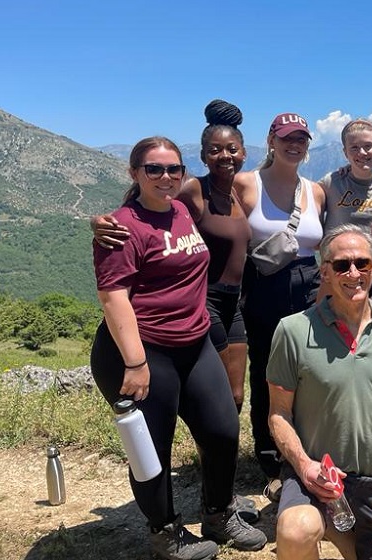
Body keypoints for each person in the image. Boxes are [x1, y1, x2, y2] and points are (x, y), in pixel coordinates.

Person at [90, 137, 266, 560]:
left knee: (223, 429)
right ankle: (165, 534)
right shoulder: (122, 228)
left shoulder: (183, 210)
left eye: (174, 169)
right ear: (135, 174)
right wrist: (135, 362)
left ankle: (218, 513)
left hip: (194, 341)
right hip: (143, 351)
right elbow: (114, 297)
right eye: (154, 169)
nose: (165, 177)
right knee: (152, 450)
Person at [91, 100, 253, 413]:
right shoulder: (192, 191)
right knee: (222, 397)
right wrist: (100, 222)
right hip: (208, 302)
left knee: (237, 394)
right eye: (215, 150)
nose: (225, 157)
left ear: (244, 152)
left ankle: (223, 455)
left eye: (232, 149)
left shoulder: (242, 188)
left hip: (236, 305)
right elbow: (150, 202)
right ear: (203, 156)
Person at [267, 224, 372, 560]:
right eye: (341, 265)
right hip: (316, 473)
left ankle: (340, 530)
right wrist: (305, 466)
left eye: (363, 263)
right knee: (296, 530)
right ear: (325, 273)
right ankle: (325, 522)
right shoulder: (292, 331)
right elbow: (278, 414)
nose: (354, 273)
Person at [233, 112, 327, 497]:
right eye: (287, 137)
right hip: (263, 285)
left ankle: (305, 451)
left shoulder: (316, 191)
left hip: (310, 285)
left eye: (302, 139)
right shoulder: (246, 184)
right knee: (267, 374)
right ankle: (271, 459)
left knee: (311, 371)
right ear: (271, 140)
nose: (295, 145)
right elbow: (196, 201)